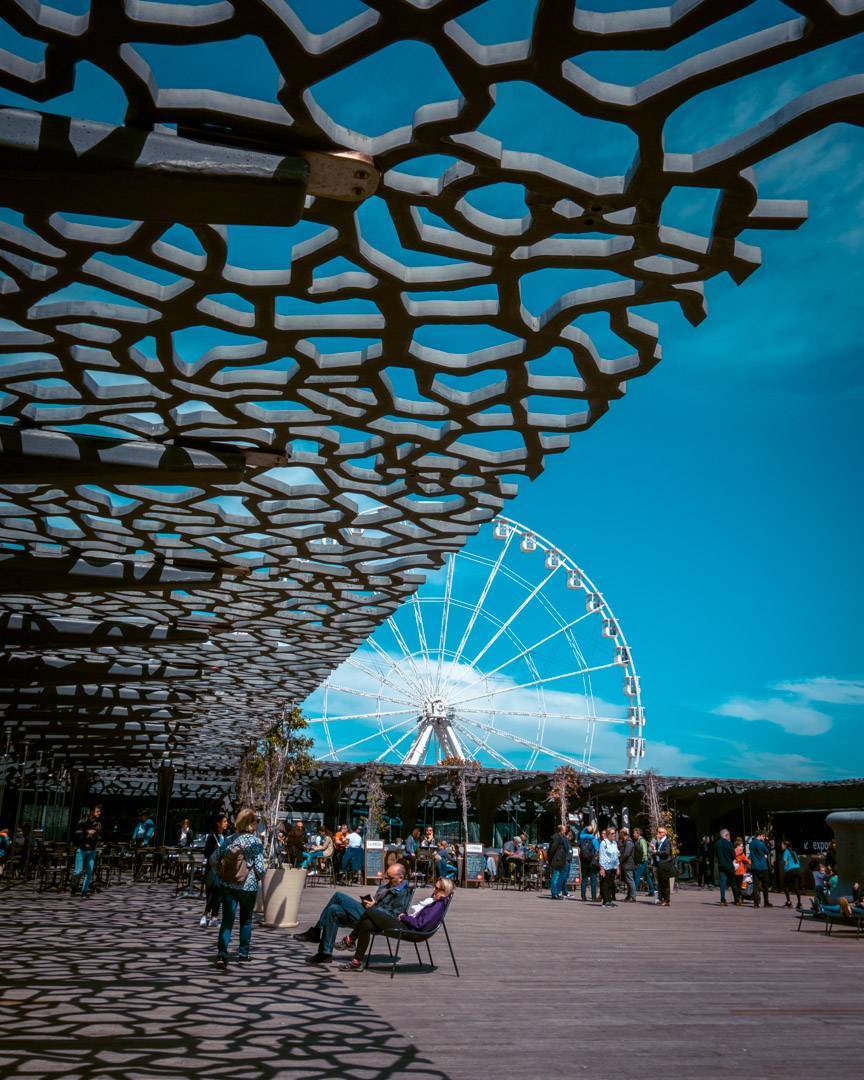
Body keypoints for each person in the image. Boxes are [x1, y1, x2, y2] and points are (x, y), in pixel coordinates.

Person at [295, 862, 411, 965]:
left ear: (401, 878)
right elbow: (378, 901)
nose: (387, 880)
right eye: (387, 877)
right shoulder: (388, 886)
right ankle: (325, 953)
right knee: (333, 909)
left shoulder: (403, 893)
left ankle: (316, 931)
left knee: (338, 896)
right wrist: (370, 902)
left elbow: (393, 915)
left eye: (390, 878)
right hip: (368, 912)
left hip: (374, 919)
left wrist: (374, 906)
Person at [340, 877, 455, 972]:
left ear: (444, 891)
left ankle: (350, 939)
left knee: (371, 911)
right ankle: (356, 961)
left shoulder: (438, 906)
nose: (434, 890)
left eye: (437, 888)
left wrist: (403, 917)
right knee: (367, 924)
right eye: (434, 887)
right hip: (408, 925)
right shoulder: (436, 902)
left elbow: (420, 924)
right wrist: (405, 916)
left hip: (412, 931)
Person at [216, 808, 266, 968]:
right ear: (250, 823)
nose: (257, 823)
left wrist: (222, 874)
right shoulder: (256, 842)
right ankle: (243, 954)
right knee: (246, 920)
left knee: (227, 920)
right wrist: (260, 876)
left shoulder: (230, 839)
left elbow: (215, 857)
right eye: (256, 821)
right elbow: (259, 868)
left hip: (228, 885)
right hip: (248, 886)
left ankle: (222, 954)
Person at [201, 812, 228, 928]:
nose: (227, 824)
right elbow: (206, 853)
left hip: (221, 870)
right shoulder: (212, 837)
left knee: (219, 894)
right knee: (211, 893)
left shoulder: (224, 837)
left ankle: (214, 918)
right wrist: (215, 848)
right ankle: (205, 915)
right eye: (225, 821)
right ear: (218, 823)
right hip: (211, 870)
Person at [71, 804, 103, 898]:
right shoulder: (83, 821)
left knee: (89, 872)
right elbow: (76, 832)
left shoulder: (99, 824)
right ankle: (73, 888)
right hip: (81, 849)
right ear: (92, 811)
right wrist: (87, 832)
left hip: (92, 850)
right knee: (78, 871)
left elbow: (101, 836)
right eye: (97, 811)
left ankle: (84, 892)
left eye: (100, 811)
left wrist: (96, 835)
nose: (99, 813)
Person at [715, 828, 741, 907]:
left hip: (721, 865)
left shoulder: (717, 844)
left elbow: (716, 855)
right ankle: (737, 900)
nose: (729, 836)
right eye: (729, 834)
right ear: (726, 835)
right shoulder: (729, 843)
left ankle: (722, 900)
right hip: (729, 865)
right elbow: (733, 855)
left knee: (722, 883)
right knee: (733, 882)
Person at [748, 830, 773, 908]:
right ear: (760, 835)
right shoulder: (761, 844)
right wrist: (764, 855)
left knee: (755, 886)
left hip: (754, 867)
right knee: (765, 885)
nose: (764, 837)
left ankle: (756, 903)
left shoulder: (751, 844)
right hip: (763, 867)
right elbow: (767, 852)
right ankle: (766, 902)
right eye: (763, 836)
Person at [598, 826, 620, 908]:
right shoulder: (604, 843)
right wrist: (602, 868)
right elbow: (602, 856)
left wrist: (617, 867)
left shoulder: (614, 843)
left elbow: (616, 855)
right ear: (608, 834)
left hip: (613, 866)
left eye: (615, 833)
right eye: (612, 833)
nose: (614, 835)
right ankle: (605, 901)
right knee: (605, 884)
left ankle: (610, 900)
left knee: (611, 884)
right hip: (606, 867)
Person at [548, 824, 571, 900]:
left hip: (561, 860)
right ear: (561, 830)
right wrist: (551, 860)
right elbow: (551, 850)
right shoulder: (556, 837)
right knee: (555, 877)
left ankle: (557, 893)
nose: (565, 831)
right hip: (556, 860)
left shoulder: (562, 837)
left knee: (559, 877)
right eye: (564, 829)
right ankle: (554, 894)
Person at [653, 825, 674, 907]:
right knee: (661, 883)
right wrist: (655, 848)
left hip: (665, 864)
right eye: (657, 832)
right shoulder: (660, 842)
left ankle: (667, 900)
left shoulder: (667, 841)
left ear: (664, 833)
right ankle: (663, 899)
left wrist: (656, 852)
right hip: (661, 864)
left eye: (660, 832)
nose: (658, 833)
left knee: (665, 883)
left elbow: (667, 852)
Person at [579, 822, 600, 901]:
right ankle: (593, 897)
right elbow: (597, 850)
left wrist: (586, 828)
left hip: (584, 861)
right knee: (593, 879)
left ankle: (583, 896)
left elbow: (581, 833)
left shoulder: (582, 838)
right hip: (592, 861)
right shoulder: (594, 839)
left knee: (584, 879)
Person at [632, 827, 655, 898]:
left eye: (634, 833)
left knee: (637, 876)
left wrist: (642, 860)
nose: (633, 834)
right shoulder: (639, 840)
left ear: (638, 833)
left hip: (642, 861)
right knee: (647, 876)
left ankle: (633, 893)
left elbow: (645, 851)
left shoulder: (642, 840)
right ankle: (651, 891)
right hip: (643, 861)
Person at [781, 840, 803, 910]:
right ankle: (799, 903)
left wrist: (786, 864)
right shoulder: (794, 852)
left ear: (785, 845)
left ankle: (789, 902)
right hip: (797, 870)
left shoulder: (786, 852)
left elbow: (785, 860)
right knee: (796, 888)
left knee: (785, 886)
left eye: (782, 845)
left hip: (790, 870)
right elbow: (797, 862)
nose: (781, 846)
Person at [618, 827, 636, 902]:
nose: (619, 835)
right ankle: (629, 896)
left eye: (620, 833)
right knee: (628, 881)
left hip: (628, 864)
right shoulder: (625, 841)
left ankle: (633, 896)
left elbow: (626, 854)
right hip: (626, 864)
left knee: (630, 880)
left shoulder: (628, 842)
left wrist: (620, 860)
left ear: (623, 834)